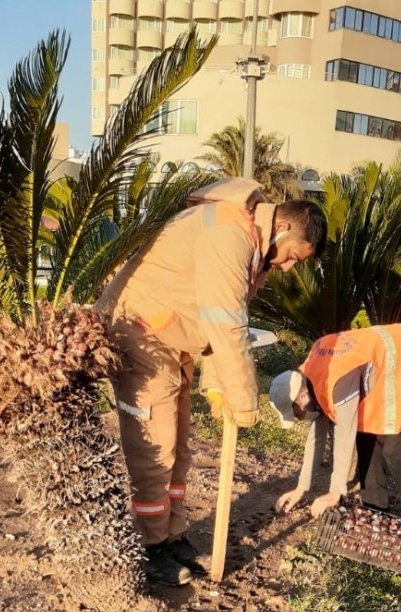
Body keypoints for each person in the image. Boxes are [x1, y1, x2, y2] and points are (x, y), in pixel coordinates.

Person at [96, 178, 327, 586]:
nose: (289, 267)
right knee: (156, 446)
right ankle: (150, 548)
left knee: (180, 445)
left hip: (171, 335)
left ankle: (173, 534)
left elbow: (226, 317)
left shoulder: (253, 246)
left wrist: (217, 383)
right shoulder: (230, 235)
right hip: (140, 334)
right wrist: (243, 399)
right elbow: (227, 327)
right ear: (282, 229)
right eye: (293, 257)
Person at [269, 324, 401, 522]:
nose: (298, 419)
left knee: (396, 449)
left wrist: (335, 492)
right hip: (395, 368)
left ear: (302, 398)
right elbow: (317, 435)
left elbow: (344, 435)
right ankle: (376, 506)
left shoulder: (337, 378)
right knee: (366, 435)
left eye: (295, 414)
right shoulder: (311, 376)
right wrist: (301, 488)